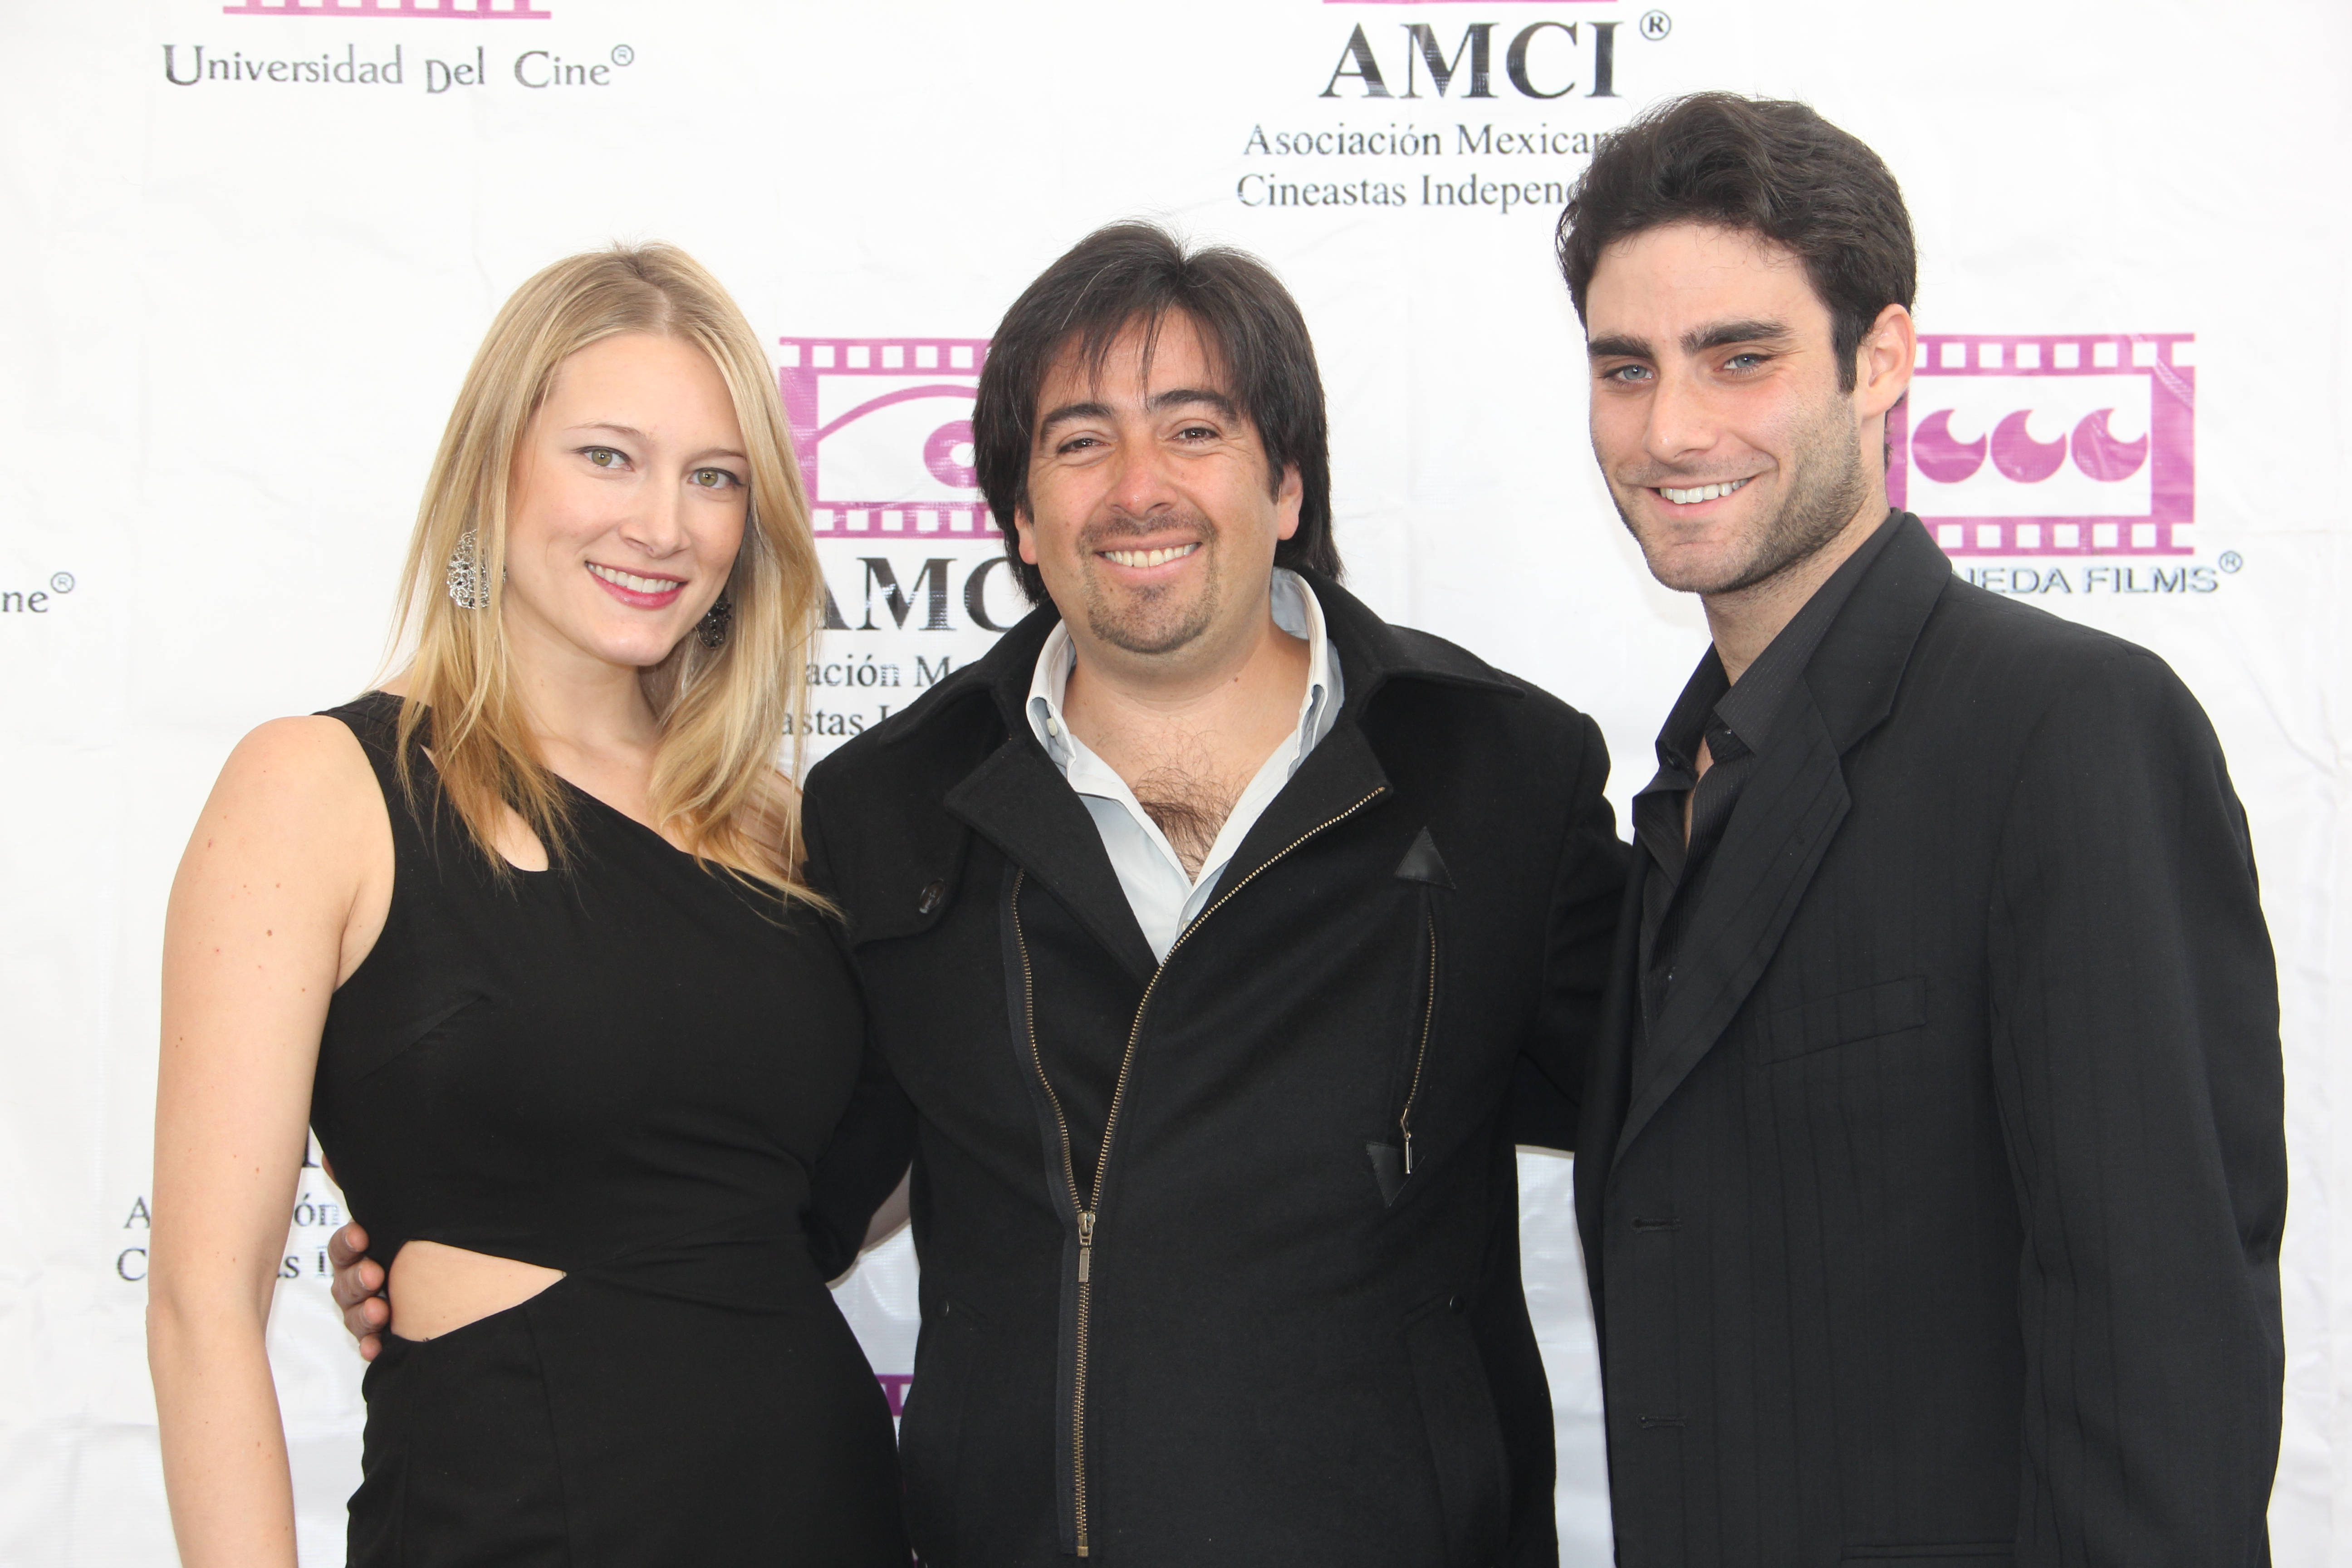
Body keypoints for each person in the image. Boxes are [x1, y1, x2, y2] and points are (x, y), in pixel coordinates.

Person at [784, 223, 1623, 1565]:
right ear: (1019, 516)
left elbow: (1690, 1099)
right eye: (1078, 442)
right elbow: (772, 1178)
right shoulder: (890, 808)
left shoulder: (1497, 774)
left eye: (1194, 430)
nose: (1138, 489)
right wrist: (483, 1212)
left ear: (1287, 485)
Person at [1547, 93, 2285, 1565]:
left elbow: (2163, 1346)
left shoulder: (2063, 730)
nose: (1671, 426)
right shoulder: (1686, 774)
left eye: (1738, 357)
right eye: (1626, 368)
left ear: (1880, 359)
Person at [148, 245, 907, 1567]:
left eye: (713, 477)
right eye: (608, 456)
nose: (664, 523)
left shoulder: (784, 831)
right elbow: (199, 1308)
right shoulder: (323, 789)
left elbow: (845, 1189)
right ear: (493, 473)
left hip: (823, 1504)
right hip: (520, 1519)